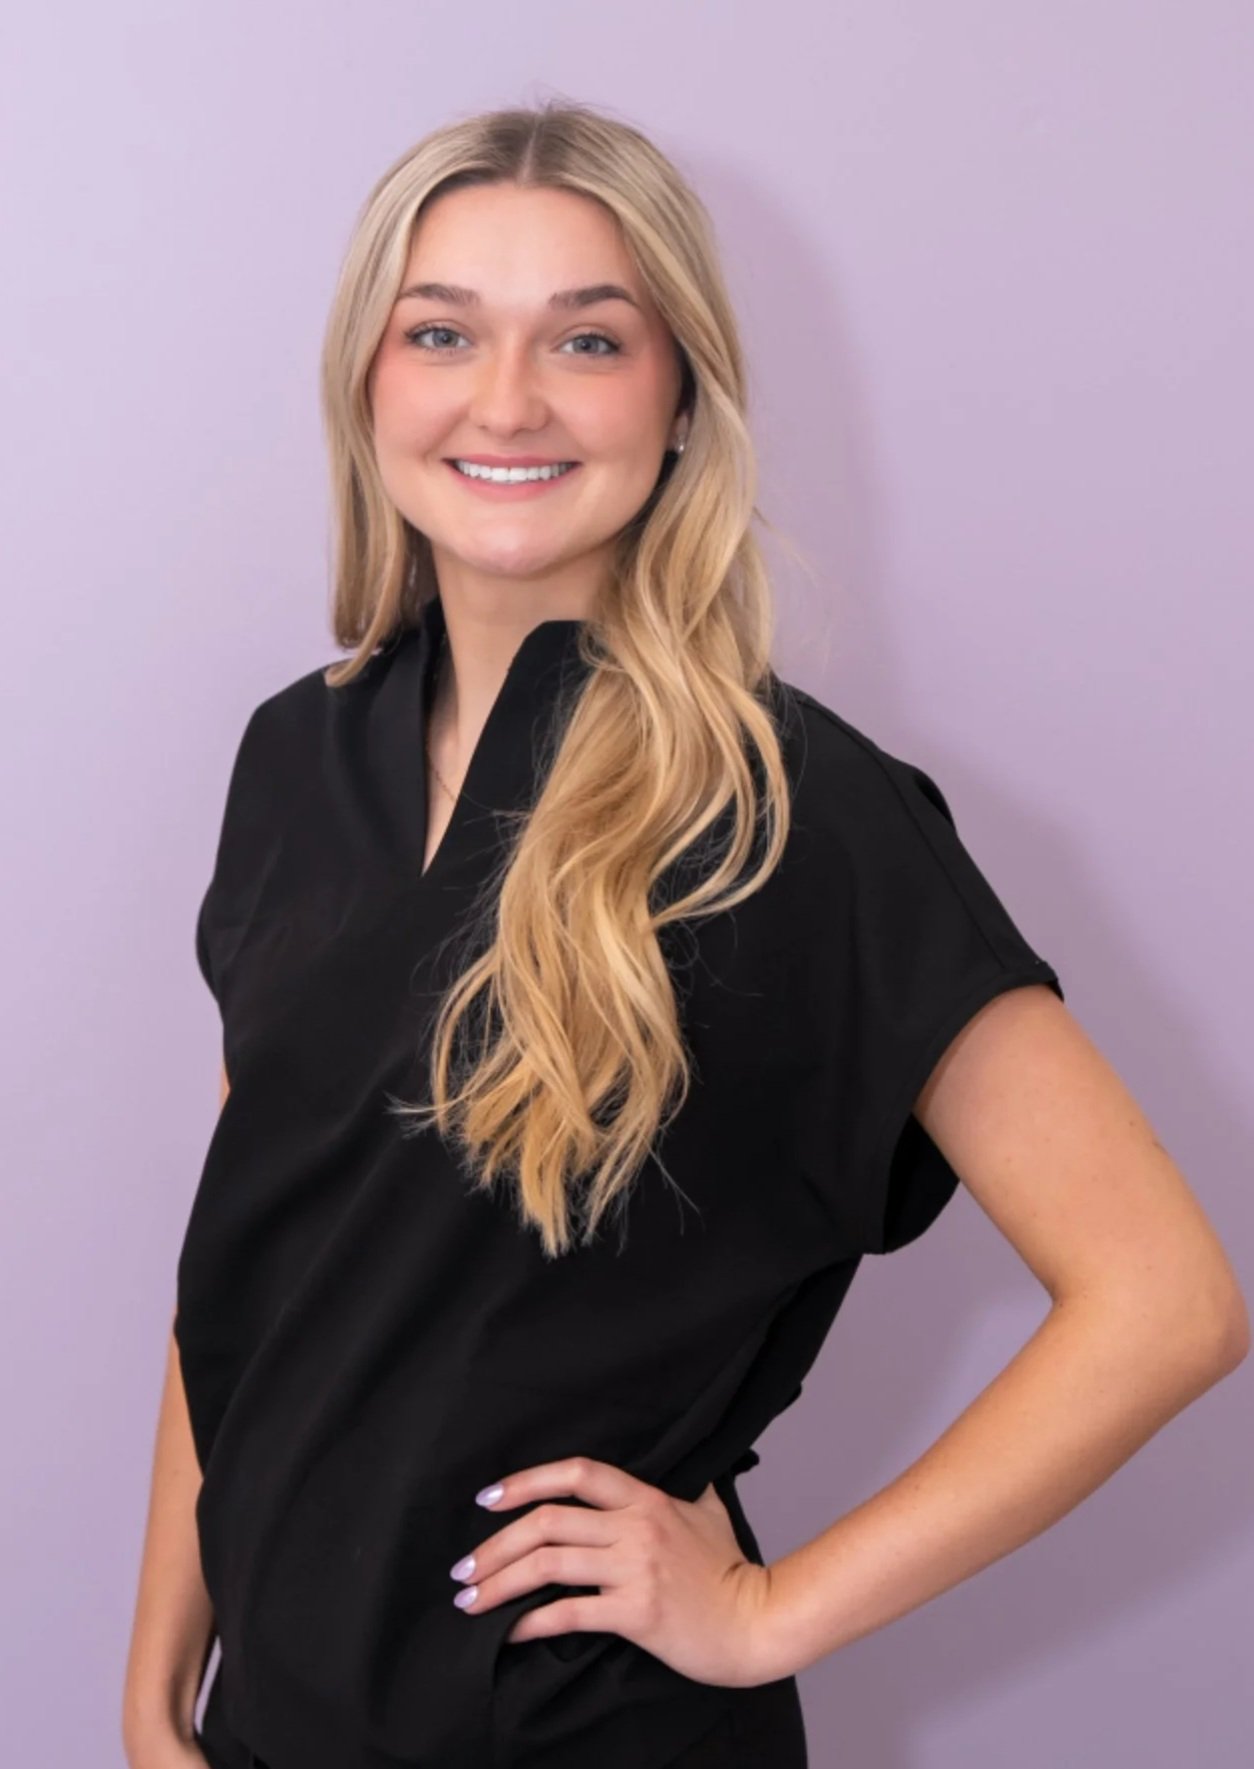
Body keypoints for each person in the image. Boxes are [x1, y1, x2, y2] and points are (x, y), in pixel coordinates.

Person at [123, 101, 1248, 1769]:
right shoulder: (298, 756)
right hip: (274, 1727)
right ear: (367, 381)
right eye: (442, 332)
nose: (508, 399)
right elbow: (252, 1260)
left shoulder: (793, 813)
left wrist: (767, 1609)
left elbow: (1164, 1298)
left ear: (679, 396)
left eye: (587, 338)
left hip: (577, 1734)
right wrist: (158, 1685)